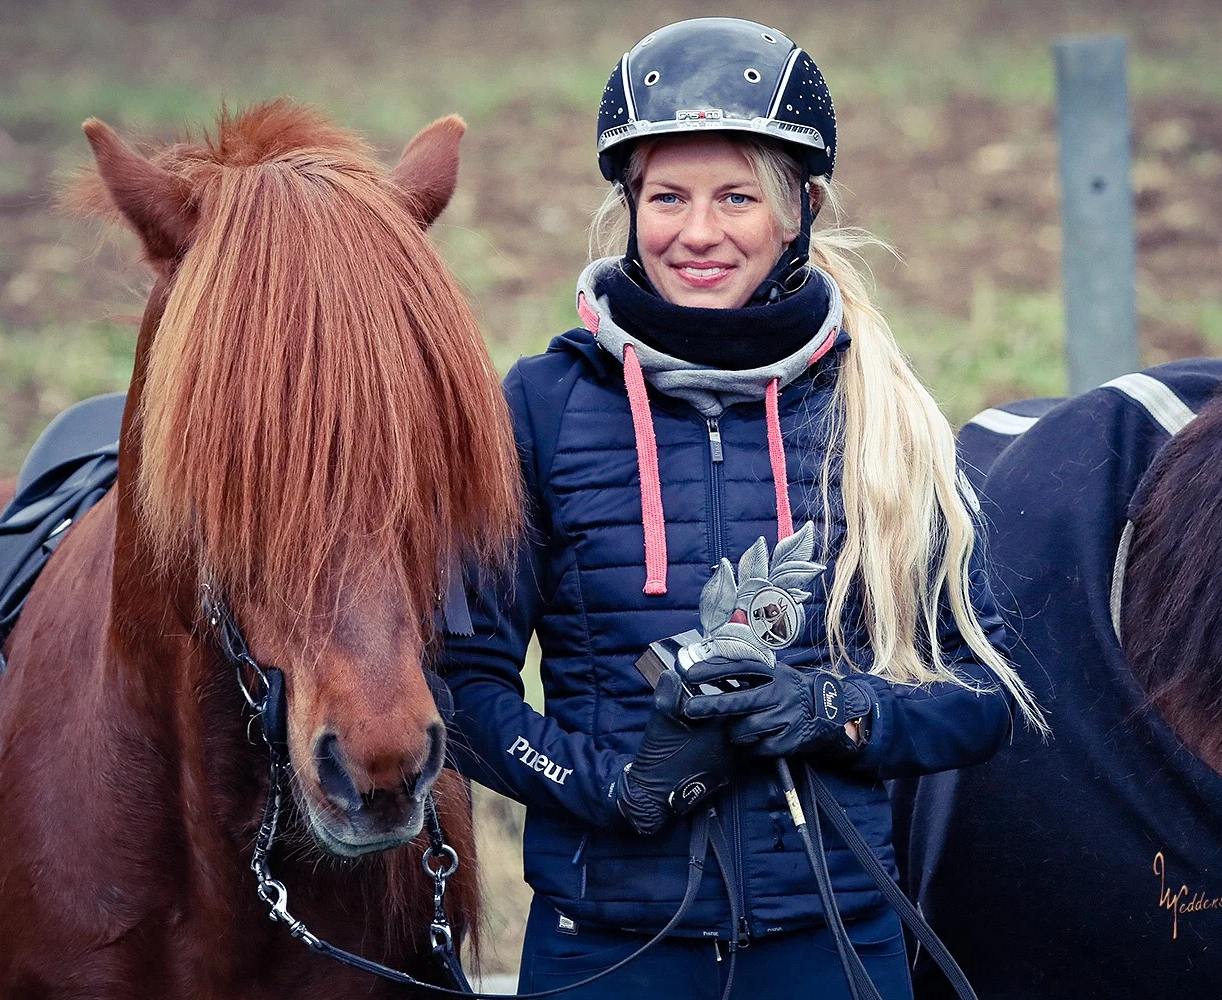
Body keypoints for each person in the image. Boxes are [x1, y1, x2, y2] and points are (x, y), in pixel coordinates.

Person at [443, 17, 1044, 1000]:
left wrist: (832, 710)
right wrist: (608, 787)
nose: (698, 232)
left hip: (831, 940)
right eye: (667, 197)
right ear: (629, 207)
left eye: (736, 197)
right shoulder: (540, 407)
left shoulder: (878, 409)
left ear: (800, 209)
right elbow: (463, 683)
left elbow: (980, 696)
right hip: (603, 948)